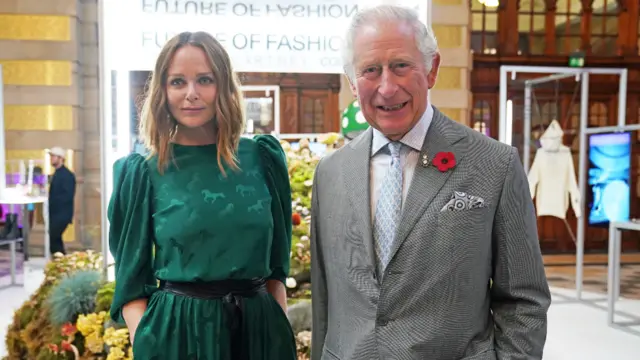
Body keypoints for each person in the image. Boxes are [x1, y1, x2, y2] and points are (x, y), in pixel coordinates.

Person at [310, 5, 551, 360]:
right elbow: (324, 301)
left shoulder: (494, 164)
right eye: (370, 70)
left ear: (432, 69)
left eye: (401, 66)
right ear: (351, 81)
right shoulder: (330, 173)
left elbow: (523, 300)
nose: (387, 88)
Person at [108, 31, 297, 359]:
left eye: (205, 80)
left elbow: (276, 270)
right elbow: (131, 284)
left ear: (223, 86)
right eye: (178, 82)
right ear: (162, 91)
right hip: (178, 339)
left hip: (259, 335)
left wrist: (277, 334)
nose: (191, 94)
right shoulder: (144, 172)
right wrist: (149, 343)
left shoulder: (262, 159)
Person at [47, 146, 76, 255]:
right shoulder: (57, 173)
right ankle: (61, 264)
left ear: (61, 158)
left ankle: (61, 263)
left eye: (53, 156)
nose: (51, 159)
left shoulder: (67, 175)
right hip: (55, 214)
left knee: (54, 239)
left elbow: (67, 197)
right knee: (55, 241)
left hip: (61, 215)